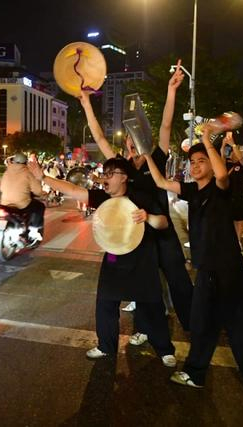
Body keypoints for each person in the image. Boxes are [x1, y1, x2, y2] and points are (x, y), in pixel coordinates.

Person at [144, 127, 243, 402]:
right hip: (205, 271)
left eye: (202, 161)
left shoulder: (220, 189)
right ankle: (195, 373)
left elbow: (223, 175)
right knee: (202, 323)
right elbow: (161, 182)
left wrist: (206, 140)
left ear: (213, 165)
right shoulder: (193, 191)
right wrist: (146, 154)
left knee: (240, 325)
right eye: (192, 162)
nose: (195, 165)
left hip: (229, 269)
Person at [78, 59, 193, 332]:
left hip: (160, 229)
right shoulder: (122, 167)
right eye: (128, 139)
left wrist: (171, 91)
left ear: (144, 139)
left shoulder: (156, 158)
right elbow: (100, 139)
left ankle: (193, 324)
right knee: (144, 286)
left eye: (136, 138)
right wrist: (86, 104)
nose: (132, 144)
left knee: (178, 279)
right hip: (136, 234)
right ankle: (144, 330)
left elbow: (166, 126)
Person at [29, 157, 176, 365]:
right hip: (115, 256)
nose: (105, 178)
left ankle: (164, 349)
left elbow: (163, 223)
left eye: (110, 174)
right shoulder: (103, 197)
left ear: (123, 177)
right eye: (104, 174)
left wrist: (148, 217)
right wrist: (43, 177)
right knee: (106, 301)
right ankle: (106, 346)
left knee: (151, 304)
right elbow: (73, 190)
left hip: (142, 257)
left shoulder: (141, 197)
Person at [0, 153, 45, 242]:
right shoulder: (27, 173)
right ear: (26, 162)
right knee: (40, 206)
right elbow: (38, 190)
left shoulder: (7, 172)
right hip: (21, 204)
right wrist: (41, 193)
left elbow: (1, 188)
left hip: (5, 203)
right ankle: (34, 230)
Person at [220, 132, 243, 245]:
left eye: (236, 152)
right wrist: (223, 145)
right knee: (230, 218)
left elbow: (241, 158)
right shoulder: (227, 165)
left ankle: (238, 240)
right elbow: (222, 157)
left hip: (240, 195)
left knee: (240, 218)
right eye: (233, 152)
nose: (234, 153)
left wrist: (233, 144)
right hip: (228, 195)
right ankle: (231, 239)